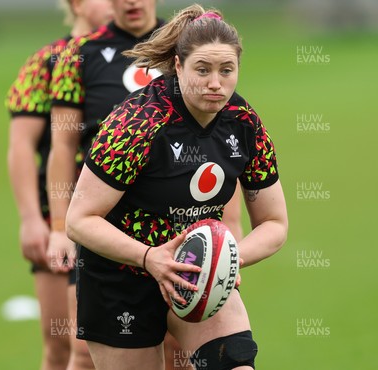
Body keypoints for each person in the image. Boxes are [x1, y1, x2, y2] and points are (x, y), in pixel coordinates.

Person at [64, 4, 288, 370]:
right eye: (203, 70)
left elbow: (275, 223)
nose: (215, 83)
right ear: (179, 66)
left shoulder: (243, 123)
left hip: (193, 271)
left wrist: (227, 262)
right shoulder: (137, 123)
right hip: (120, 278)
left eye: (226, 70)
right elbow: (80, 220)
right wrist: (150, 258)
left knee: (236, 365)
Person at [5, 1, 112, 369]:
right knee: (60, 342)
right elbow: (20, 146)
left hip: (113, 215)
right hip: (59, 216)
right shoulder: (48, 60)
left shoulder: (134, 59)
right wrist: (32, 219)